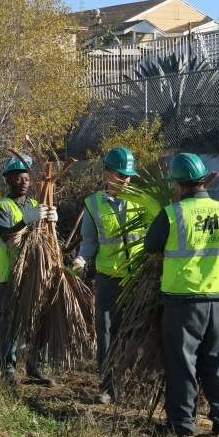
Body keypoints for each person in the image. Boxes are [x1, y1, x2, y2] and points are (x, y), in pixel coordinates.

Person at [144, 153, 219, 437]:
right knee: (217, 362)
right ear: (201, 182)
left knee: (183, 363)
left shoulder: (172, 213)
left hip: (183, 300)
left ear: (178, 185)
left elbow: (151, 247)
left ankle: (182, 425)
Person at [71, 147, 143, 404]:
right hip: (108, 279)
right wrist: (82, 258)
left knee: (134, 333)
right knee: (106, 333)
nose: (126, 180)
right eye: (120, 175)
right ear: (107, 174)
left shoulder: (144, 200)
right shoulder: (93, 204)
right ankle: (107, 387)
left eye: (128, 175)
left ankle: (133, 385)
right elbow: (90, 241)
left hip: (138, 280)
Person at [0, 155, 59, 386]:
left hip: (37, 273)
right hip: (12, 274)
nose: (23, 180)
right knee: (12, 323)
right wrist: (26, 220)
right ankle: (8, 370)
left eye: (26, 176)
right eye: (17, 176)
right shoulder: (1, 207)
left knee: (41, 320)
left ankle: (37, 368)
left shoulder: (34, 204)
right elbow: (5, 235)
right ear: (8, 179)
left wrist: (51, 221)